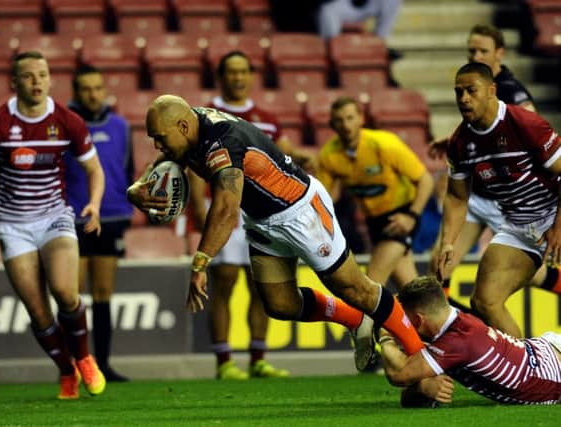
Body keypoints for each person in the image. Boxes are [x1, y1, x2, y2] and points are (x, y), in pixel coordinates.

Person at [127, 94, 427, 373]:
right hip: (263, 219)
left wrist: (201, 262)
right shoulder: (188, 129)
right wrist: (136, 188)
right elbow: (166, 160)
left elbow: (225, 211)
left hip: (301, 212)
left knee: (355, 289)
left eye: (159, 138)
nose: (157, 146)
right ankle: (356, 320)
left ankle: (420, 356)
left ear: (182, 125)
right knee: (279, 304)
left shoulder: (223, 143)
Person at [0, 51, 106, 399]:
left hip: (53, 216)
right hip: (12, 225)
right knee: (38, 310)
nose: (37, 82)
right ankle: (66, 370)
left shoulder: (67, 120)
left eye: (42, 75)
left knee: (65, 291)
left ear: (50, 78)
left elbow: (94, 169)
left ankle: (85, 356)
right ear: (14, 83)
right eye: (29, 76)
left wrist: (94, 203)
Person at [188, 51, 316, 379]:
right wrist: (201, 210)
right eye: (231, 72)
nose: (238, 78)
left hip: (261, 210)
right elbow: (191, 164)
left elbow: (282, 152)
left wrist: (303, 157)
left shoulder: (266, 117)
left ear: (250, 75)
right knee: (225, 282)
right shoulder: (206, 115)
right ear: (221, 76)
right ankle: (224, 361)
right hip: (225, 208)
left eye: (243, 71)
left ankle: (258, 357)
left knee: (261, 285)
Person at [428, 24, 555, 306]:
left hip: (514, 201)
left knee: (526, 273)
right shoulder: (467, 94)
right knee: (438, 263)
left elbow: (528, 136)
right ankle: (450, 331)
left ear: (499, 54)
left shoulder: (513, 93)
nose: (475, 55)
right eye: (471, 50)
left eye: (482, 50)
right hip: (480, 197)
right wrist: (452, 142)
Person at [380, 276, 561, 406]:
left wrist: (385, 335)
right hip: (545, 347)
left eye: (406, 319)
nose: (404, 325)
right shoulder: (455, 325)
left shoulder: (456, 343)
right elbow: (408, 397)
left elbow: (399, 374)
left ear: (419, 320)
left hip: (554, 374)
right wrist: (421, 389)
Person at [317, 96, 434, 289]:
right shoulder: (329, 155)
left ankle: (367, 321)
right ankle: (444, 317)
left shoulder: (384, 144)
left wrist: (411, 216)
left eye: (350, 118)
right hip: (374, 222)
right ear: (332, 124)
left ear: (361, 118)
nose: (346, 125)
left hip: (400, 217)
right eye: (339, 120)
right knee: (412, 290)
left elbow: (425, 180)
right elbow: (323, 198)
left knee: (370, 284)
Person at [64, 64, 134, 382]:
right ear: (76, 93)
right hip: (73, 218)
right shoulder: (64, 127)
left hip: (113, 216)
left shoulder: (121, 126)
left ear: (104, 90)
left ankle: (103, 365)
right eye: (86, 88)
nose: (93, 94)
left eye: (97, 87)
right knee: (73, 296)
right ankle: (73, 367)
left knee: (104, 293)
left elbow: (127, 170)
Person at [317, 0, 403, 59]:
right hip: (339, 6)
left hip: (366, 5)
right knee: (327, 9)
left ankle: (379, 45)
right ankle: (331, 49)